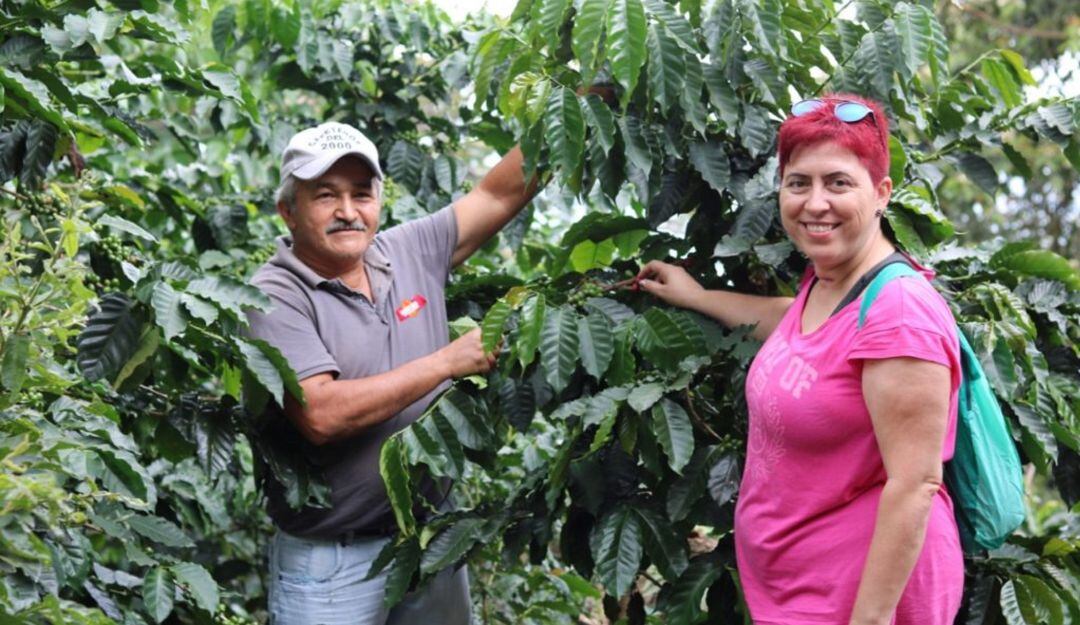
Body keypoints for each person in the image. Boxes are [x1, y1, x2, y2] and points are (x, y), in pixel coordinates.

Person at [635, 95, 964, 624]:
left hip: (862, 602)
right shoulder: (833, 280)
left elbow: (915, 484)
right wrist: (696, 297)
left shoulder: (900, 314)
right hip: (801, 592)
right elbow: (799, 327)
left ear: (881, 193)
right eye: (798, 182)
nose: (815, 203)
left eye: (838, 183)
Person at [245, 121, 538, 625]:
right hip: (334, 562)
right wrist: (447, 361)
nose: (347, 212)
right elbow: (321, 413)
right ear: (287, 211)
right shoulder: (273, 295)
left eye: (362, 194)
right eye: (325, 196)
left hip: (432, 543)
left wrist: (586, 97)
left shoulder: (408, 251)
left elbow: (499, 193)